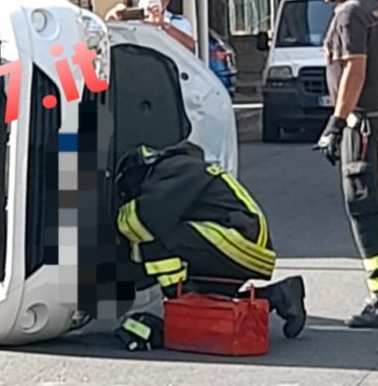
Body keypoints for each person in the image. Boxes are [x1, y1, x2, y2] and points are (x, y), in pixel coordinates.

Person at [113, 141, 307, 349]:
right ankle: (279, 295)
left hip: (241, 241)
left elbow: (144, 219)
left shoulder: (172, 170)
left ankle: (182, 299)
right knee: (210, 303)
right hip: (239, 241)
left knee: (154, 234)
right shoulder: (178, 168)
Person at [314, 0, 378, 328]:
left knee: (364, 204)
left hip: (364, 124)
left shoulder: (350, 14)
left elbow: (355, 66)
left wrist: (337, 123)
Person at [106, 0, 195, 53]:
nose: (149, 1)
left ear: (165, 0)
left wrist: (164, 25)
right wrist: (110, 21)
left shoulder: (177, 22)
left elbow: (191, 47)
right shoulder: (130, 23)